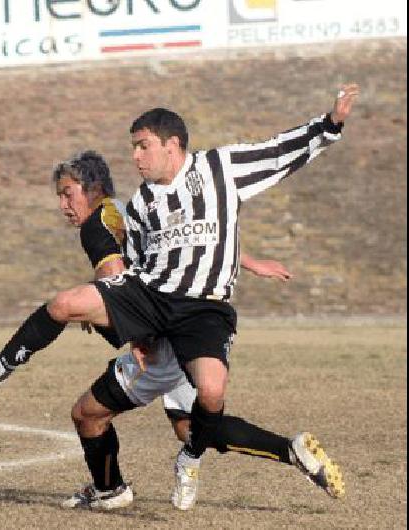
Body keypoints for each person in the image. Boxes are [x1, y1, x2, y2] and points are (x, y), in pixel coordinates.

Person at [0, 85, 358, 508]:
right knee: (66, 305)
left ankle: (188, 461)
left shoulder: (220, 168)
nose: (135, 157)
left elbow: (277, 152)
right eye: (133, 148)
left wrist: (329, 126)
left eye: (142, 147)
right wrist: (133, 322)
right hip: (154, 298)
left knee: (204, 405)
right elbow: (150, 260)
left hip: (199, 314)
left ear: (172, 145)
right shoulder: (142, 203)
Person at [43, 151, 338, 510]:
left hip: (165, 337)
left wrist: (132, 330)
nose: (62, 204)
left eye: (67, 193)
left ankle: (110, 489)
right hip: (186, 331)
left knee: (88, 413)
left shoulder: (105, 223)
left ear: (93, 189)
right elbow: (189, 243)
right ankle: (291, 451)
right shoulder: (127, 213)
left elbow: (122, 274)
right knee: (192, 429)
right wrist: (252, 262)